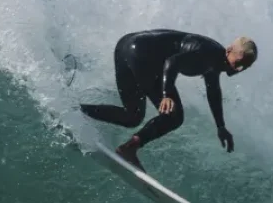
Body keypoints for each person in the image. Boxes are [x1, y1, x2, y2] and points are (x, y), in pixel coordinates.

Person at [80, 30, 258, 170]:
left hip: (126, 46)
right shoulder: (209, 55)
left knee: (132, 116)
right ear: (229, 50)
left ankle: (77, 110)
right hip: (141, 54)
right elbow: (172, 63)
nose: (241, 68)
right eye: (240, 61)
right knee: (174, 116)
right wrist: (166, 95)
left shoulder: (215, 61)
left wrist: (220, 126)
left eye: (247, 66)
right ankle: (128, 149)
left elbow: (213, 92)